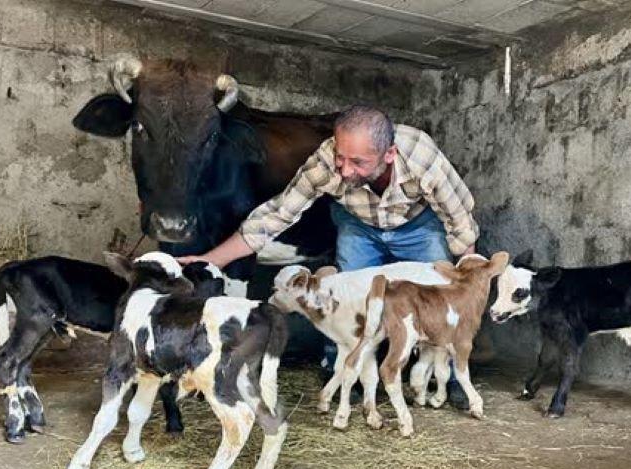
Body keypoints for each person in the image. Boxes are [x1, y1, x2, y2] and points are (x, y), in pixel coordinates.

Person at [178, 105, 479, 409]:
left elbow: (460, 222)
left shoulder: (421, 156)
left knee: (439, 300)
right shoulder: (324, 161)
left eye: (358, 162)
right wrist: (211, 260)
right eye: (341, 158)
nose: (345, 170)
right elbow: (276, 215)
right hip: (358, 224)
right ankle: (342, 368)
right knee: (347, 295)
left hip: (417, 225)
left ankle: (453, 378)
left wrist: (463, 285)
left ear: (388, 155)